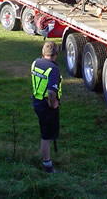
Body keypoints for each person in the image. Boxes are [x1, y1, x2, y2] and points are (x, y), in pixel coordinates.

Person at [31, 41, 62, 173]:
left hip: (36, 100)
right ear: (56, 54)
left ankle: (46, 160)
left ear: (43, 53)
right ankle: (47, 166)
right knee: (46, 136)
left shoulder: (36, 62)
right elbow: (51, 92)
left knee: (45, 131)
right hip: (46, 105)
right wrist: (52, 103)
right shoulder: (54, 69)